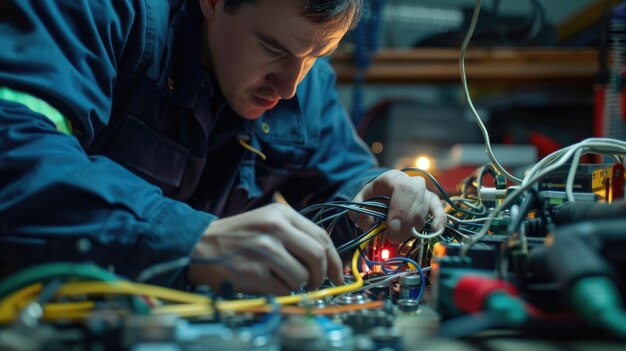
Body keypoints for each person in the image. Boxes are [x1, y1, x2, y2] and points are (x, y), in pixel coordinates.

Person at [0, 0, 446, 295]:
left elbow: (345, 182)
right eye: (273, 48)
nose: (291, 86)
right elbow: (15, 150)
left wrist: (371, 204)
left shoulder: (305, 85)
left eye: (317, 55)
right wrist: (187, 239)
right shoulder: (102, 12)